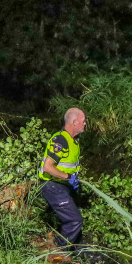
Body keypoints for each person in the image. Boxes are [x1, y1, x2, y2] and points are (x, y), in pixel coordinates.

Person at [38, 106, 86, 249]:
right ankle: (58, 251)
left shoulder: (73, 141)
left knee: (68, 220)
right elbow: (48, 166)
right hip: (51, 185)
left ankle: (72, 250)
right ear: (75, 122)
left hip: (62, 186)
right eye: (83, 121)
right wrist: (68, 177)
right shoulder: (61, 140)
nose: (85, 124)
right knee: (74, 221)